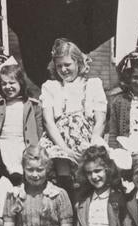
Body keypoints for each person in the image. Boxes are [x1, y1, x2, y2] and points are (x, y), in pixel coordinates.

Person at [39, 38, 108, 191]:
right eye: (59, 66)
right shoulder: (51, 87)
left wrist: (91, 146)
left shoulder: (93, 85)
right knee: (64, 179)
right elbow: (48, 121)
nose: (63, 70)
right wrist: (64, 149)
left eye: (67, 65)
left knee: (86, 177)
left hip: (86, 140)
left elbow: (100, 120)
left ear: (78, 62)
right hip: (59, 141)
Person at [0, 61, 44, 177]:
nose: (8, 87)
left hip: (23, 147)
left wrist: (36, 151)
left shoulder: (33, 105)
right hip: (1, 147)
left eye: (12, 83)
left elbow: (39, 131)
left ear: (21, 83)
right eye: (4, 84)